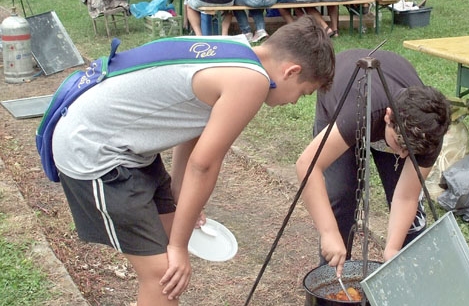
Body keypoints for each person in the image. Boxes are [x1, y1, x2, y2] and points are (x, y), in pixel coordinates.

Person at [51, 15, 336, 306]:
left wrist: (181, 200)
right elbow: (204, 164)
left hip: (127, 148)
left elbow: (193, 128)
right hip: (94, 150)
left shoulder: (234, 48)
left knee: (172, 239)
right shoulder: (252, 81)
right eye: (304, 92)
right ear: (291, 71)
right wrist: (177, 246)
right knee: (164, 275)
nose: (294, 101)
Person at [296, 48, 451, 277]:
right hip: (342, 100)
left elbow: (406, 196)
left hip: (389, 117)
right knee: (341, 192)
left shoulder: (430, 131)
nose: (402, 156)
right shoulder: (359, 112)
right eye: (401, 146)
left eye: (412, 152)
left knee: (410, 220)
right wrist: (328, 233)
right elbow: (308, 165)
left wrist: (392, 250)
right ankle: (331, 281)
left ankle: (407, 282)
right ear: (389, 117)